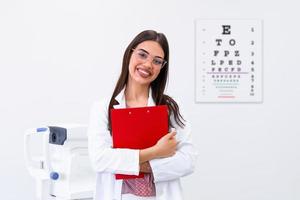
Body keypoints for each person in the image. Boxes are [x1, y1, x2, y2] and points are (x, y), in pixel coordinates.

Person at [87, 30, 198, 200]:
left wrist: (127, 162)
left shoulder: (171, 108)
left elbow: (187, 161)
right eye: (142, 55)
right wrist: (156, 151)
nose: (148, 64)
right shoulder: (103, 108)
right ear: (130, 54)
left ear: (162, 67)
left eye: (157, 61)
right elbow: (100, 159)